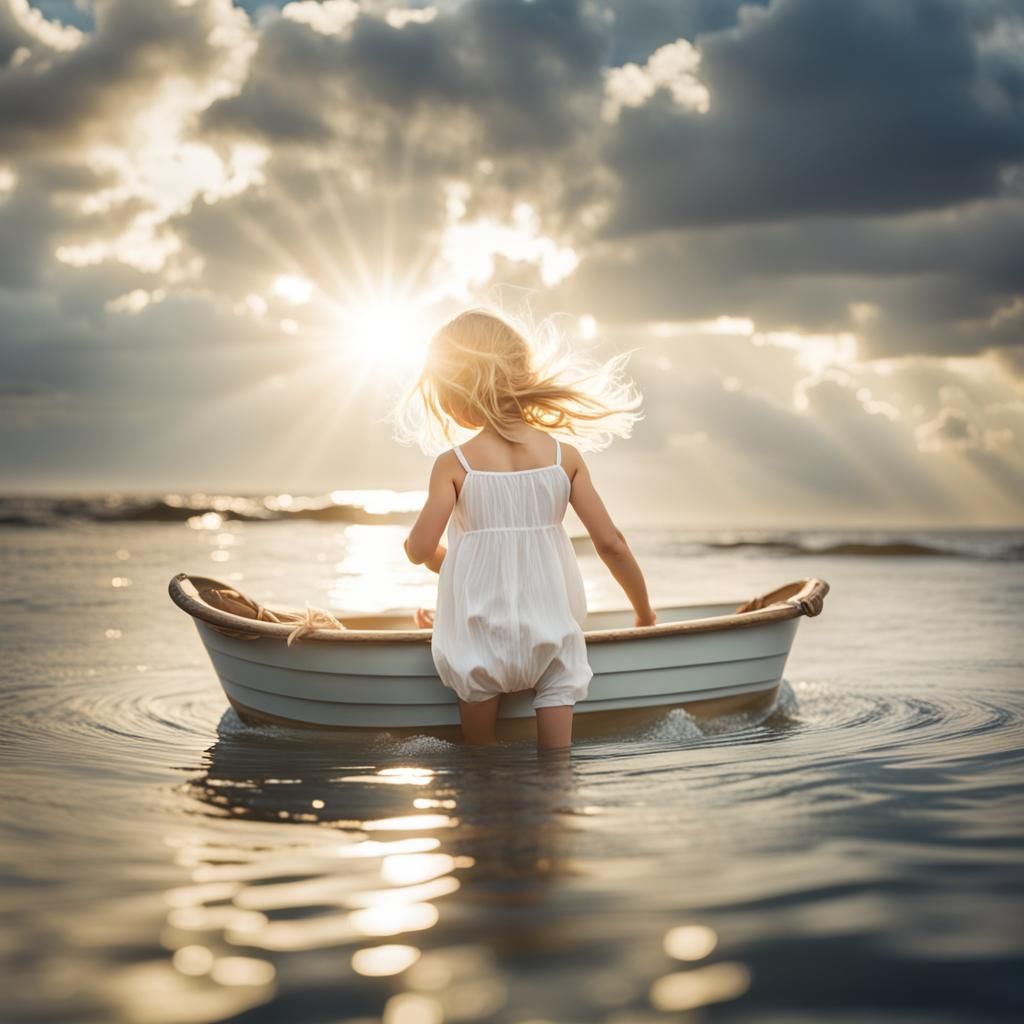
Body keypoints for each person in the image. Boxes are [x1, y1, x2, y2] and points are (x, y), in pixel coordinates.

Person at [396, 307, 655, 750]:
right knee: (556, 769)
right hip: (552, 639)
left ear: (457, 389)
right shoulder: (563, 459)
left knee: (480, 763)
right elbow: (611, 544)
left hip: (479, 644)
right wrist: (644, 613)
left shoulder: (454, 465)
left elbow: (420, 549)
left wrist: (454, 578)